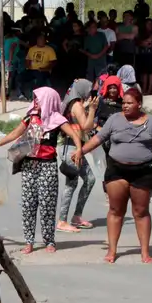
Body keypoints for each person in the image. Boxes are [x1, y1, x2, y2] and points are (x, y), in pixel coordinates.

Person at [81, 88, 152, 264]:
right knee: (115, 210)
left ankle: (145, 252)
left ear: (139, 104)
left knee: (141, 211)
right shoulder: (114, 119)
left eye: (129, 103)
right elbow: (99, 138)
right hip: (117, 170)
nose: (125, 106)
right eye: (123, 103)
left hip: (143, 171)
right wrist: (81, 151)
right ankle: (112, 250)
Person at [0, 87, 84, 254]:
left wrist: (78, 149)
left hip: (47, 165)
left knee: (47, 204)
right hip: (29, 165)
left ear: (49, 100)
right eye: (35, 99)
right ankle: (29, 241)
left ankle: (49, 241)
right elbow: (15, 133)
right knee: (28, 204)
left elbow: (75, 135)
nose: (36, 102)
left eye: (39, 99)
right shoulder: (30, 117)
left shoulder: (57, 119)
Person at [56, 79, 98, 232]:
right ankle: (63, 220)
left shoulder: (71, 103)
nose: (90, 93)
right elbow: (85, 127)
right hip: (73, 149)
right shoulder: (77, 105)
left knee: (88, 180)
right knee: (72, 183)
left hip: (71, 147)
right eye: (88, 90)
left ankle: (76, 216)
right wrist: (92, 110)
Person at [24, 30, 57, 97]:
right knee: (19, 77)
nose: (40, 41)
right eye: (39, 39)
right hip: (32, 70)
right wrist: (28, 67)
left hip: (44, 70)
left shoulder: (50, 49)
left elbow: (53, 62)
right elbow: (27, 60)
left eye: (42, 39)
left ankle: (36, 93)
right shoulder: (32, 49)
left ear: (45, 41)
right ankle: (21, 94)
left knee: (39, 77)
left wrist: (46, 68)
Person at [135, 19, 152, 95]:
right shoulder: (141, 33)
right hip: (143, 55)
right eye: (148, 24)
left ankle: (150, 89)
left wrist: (147, 41)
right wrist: (146, 42)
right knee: (144, 72)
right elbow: (139, 43)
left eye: (150, 24)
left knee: (151, 72)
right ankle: (144, 89)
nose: (149, 25)